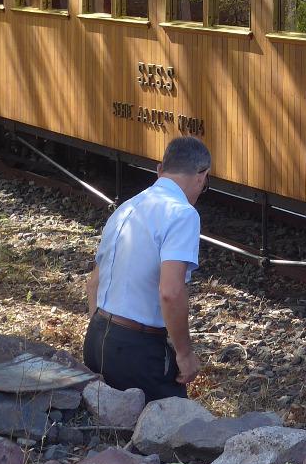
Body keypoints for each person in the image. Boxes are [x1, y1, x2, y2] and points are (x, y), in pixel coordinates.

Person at [83, 136, 211, 401]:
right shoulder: (183, 214)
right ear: (201, 176)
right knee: (175, 431)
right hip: (136, 349)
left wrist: (106, 334)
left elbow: (93, 283)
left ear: (159, 169)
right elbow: (170, 292)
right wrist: (184, 354)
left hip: (96, 339)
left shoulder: (125, 208)